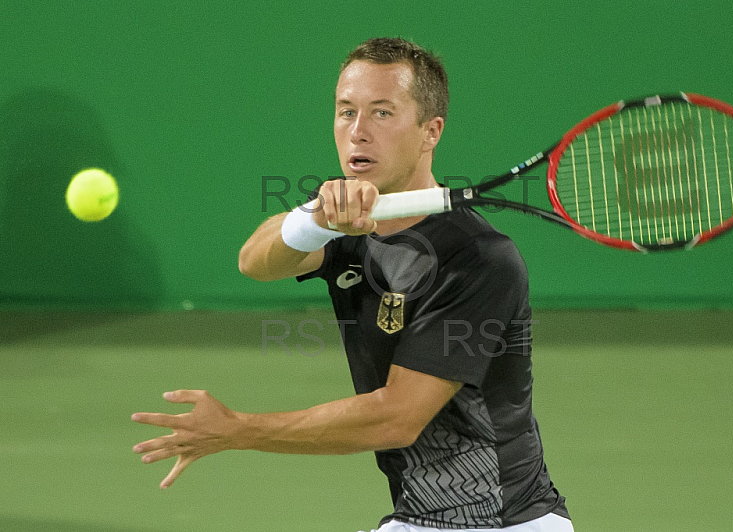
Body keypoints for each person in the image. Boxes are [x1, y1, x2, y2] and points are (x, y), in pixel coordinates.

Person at [132, 37, 572, 532]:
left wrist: (239, 429)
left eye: (382, 113)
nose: (357, 132)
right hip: (420, 516)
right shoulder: (346, 226)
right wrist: (314, 221)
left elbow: (397, 418)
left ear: (431, 131)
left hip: (501, 523)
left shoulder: (480, 260)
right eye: (346, 112)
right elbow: (253, 261)